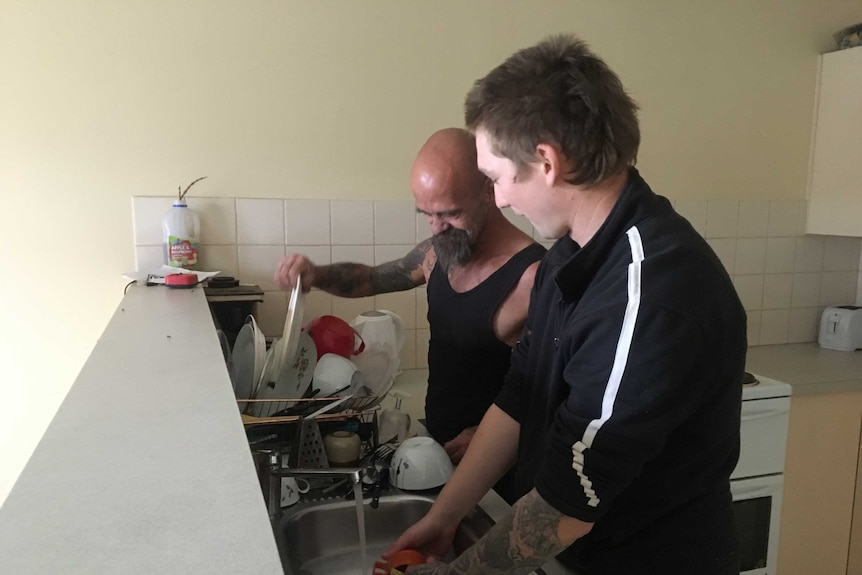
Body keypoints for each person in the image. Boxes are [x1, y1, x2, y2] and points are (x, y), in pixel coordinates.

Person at [382, 34, 746, 575]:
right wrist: (444, 517)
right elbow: (518, 397)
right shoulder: (569, 257)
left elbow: (565, 509)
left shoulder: (645, 295)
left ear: (546, 161)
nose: (499, 197)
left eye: (498, 178)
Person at [273, 128, 545, 492]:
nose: (436, 227)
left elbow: (560, 389)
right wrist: (316, 274)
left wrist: (485, 434)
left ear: (488, 188)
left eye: (449, 214)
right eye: (427, 214)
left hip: (500, 467)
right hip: (437, 446)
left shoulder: (534, 278)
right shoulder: (437, 252)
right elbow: (371, 279)